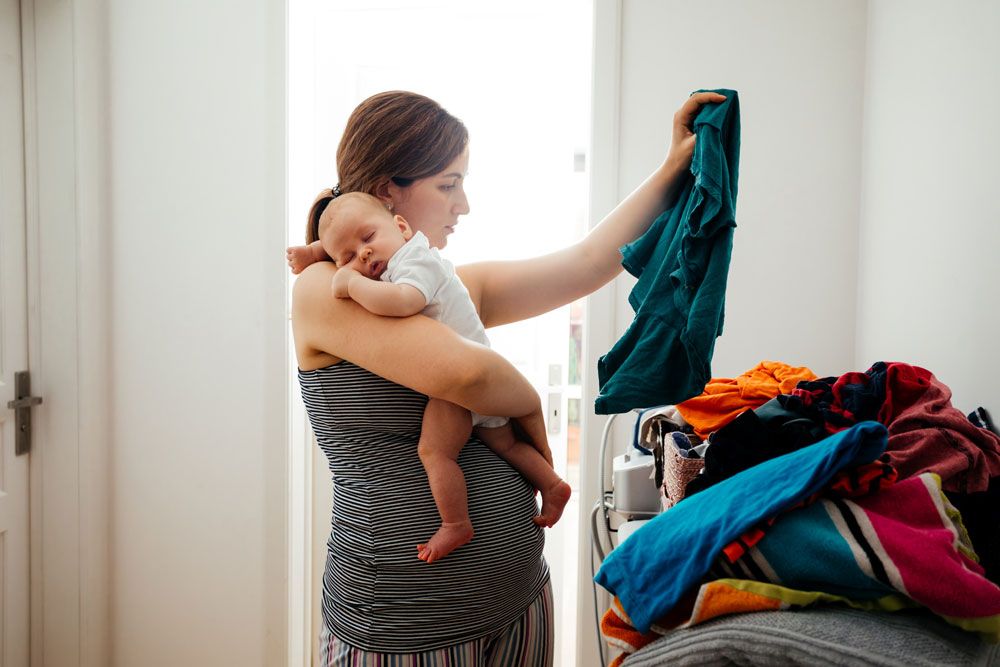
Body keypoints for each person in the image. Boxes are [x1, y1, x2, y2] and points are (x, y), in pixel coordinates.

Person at [290, 89, 726, 665]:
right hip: (406, 619)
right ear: (386, 195)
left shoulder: (444, 288)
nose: (462, 205)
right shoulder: (329, 288)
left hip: (518, 598)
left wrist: (675, 165)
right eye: (447, 184)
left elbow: (590, 260)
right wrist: (526, 405)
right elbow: (469, 376)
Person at [299, 190, 572, 563]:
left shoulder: (416, 260)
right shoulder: (390, 252)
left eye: (368, 240)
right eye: (346, 257)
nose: (362, 255)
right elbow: (353, 235)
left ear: (401, 226)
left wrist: (351, 282)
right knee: (506, 445)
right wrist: (314, 254)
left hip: (459, 392)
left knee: (434, 450)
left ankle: (456, 523)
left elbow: (403, 302)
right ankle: (552, 484)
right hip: (473, 385)